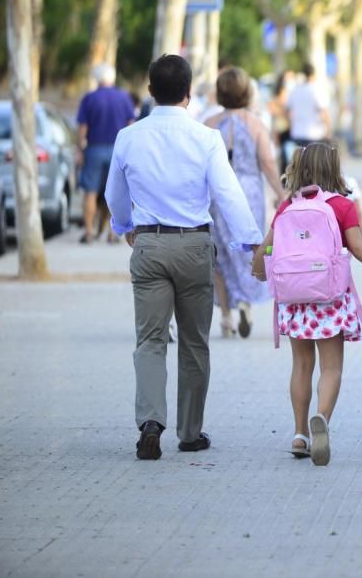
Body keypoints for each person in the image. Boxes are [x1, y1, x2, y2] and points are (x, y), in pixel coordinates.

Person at [105, 54, 263, 461]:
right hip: (194, 246)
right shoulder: (206, 138)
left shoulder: (129, 137)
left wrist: (125, 227)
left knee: (151, 340)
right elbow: (229, 193)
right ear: (190, 95)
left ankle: (151, 422)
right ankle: (190, 433)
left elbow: (114, 196)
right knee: (194, 343)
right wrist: (251, 242)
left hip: (150, 245)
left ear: (150, 90)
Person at [251, 144, 362, 465]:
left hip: (294, 300)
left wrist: (258, 269)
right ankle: (322, 419)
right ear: (334, 168)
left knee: (300, 366)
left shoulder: (288, 206)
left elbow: (264, 252)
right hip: (329, 298)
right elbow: (359, 249)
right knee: (331, 368)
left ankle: (299, 434)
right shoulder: (342, 206)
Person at [203, 67, 284, 339]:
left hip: (216, 193)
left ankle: (226, 315)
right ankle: (246, 304)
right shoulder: (256, 123)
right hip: (248, 193)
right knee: (249, 248)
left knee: (219, 254)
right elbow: (268, 163)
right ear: (247, 92)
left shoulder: (209, 124)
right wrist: (282, 195)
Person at [76, 64, 134, 244]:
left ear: (97, 78)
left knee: (90, 192)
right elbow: (131, 124)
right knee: (115, 191)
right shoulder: (124, 97)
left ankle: (88, 232)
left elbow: (83, 127)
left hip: (94, 148)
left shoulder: (89, 98)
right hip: (117, 149)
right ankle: (111, 232)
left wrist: (79, 149)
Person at [285, 63, 331, 164]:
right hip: (314, 134)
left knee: (301, 166)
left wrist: (292, 124)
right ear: (314, 74)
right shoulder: (317, 90)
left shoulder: (295, 90)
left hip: (297, 134)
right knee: (315, 166)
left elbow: (287, 111)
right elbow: (324, 112)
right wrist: (328, 131)